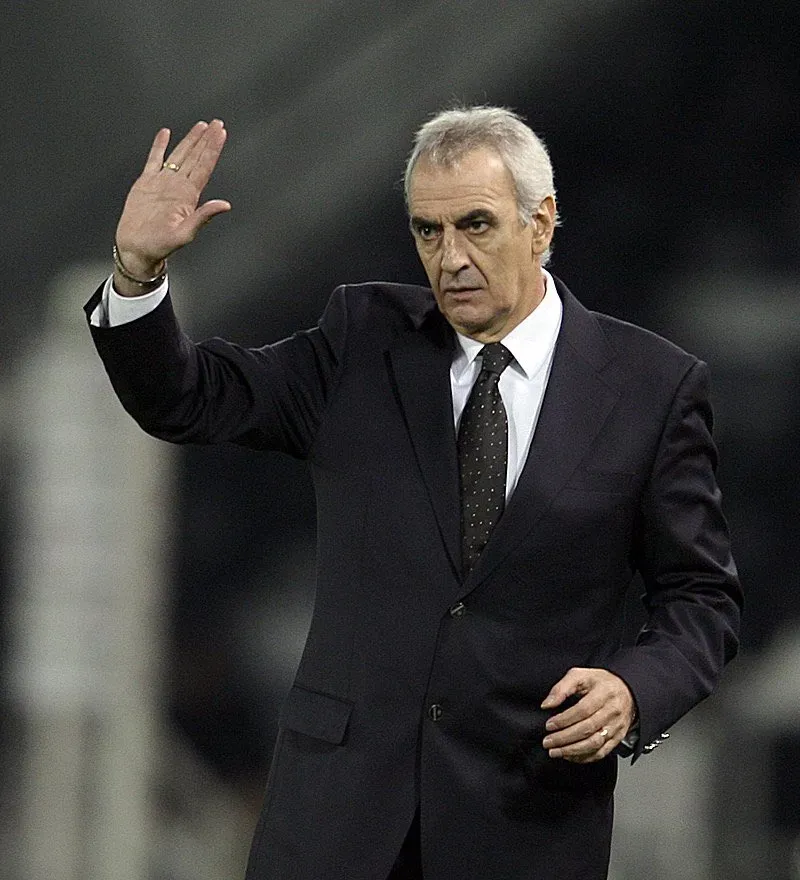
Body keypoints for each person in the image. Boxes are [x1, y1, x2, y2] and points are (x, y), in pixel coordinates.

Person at [86, 107, 742, 880]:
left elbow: (701, 599)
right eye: (428, 232)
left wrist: (635, 689)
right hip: (336, 827)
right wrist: (137, 273)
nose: (451, 258)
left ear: (543, 223)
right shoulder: (361, 340)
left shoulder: (651, 388)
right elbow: (188, 398)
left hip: (522, 826)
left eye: (475, 225)